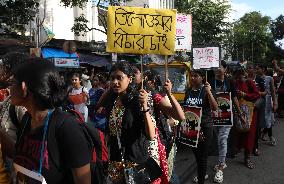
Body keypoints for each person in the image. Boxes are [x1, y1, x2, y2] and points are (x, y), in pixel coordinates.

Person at [6, 58, 92, 184]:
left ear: (24, 88)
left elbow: (83, 180)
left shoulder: (67, 127)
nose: (9, 88)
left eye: (12, 83)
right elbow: (20, 155)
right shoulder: (26, 120)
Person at [100, 62, 156, 183]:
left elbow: (151, 135)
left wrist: (145, 107)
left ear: (130, 79)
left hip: (135, 161)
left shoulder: (138, 100)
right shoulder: (112, 100)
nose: (115, 82)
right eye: (112, 78)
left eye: (119, 78)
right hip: (115, 159)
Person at [184, 70, 218, 184]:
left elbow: (215, 108)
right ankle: (202, 174)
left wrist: (209, 93)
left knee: (202, 157)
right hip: (192, 127)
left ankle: (201, 180)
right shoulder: (188, 91)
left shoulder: (207, 90)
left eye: (196, 76)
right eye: (191, 76)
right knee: (197, 156)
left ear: (202, 77)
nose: (192, 78)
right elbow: (186, 109)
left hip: (205, 128)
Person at [211, 61, 242, 183]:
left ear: (225, 69)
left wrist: (240, 113)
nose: (218, 69)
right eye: (216, 67)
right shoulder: (210, 81)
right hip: (214, 116)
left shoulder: (230, 82)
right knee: (218, 139)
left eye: (220, 67)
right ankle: (221, 161)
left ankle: (221, 165)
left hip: (227, 116)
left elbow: (234, 98)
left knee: (222, 139)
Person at [234, 68, 260, 169]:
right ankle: (237, 148)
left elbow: (257, 95)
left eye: (242, 75)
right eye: (238, 75)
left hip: (250, 112)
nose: (240, 77)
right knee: (238, 131)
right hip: (238, 111)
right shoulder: (235, 83)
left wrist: (245, 95)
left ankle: (247, 157)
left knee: (249, 134)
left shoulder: (249, 82)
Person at [255, 64, 278, 146]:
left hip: (267, 102)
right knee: (258, 120)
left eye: (258, 68)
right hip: (257, 101)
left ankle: (271, 137)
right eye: (256, 69)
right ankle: (256, 138)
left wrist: (275, 103)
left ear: (263, 69)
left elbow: (273, 92)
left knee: (268, 119)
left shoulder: (270, 78)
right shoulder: (255, 78)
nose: (256, 70)